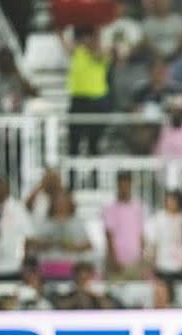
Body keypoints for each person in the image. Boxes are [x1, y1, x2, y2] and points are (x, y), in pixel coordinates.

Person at [66, 27, 111, 155]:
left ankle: (94, 174)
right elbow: (64, 43)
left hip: (97, 101)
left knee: (94, 144)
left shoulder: (102, 54)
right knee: (74, 143)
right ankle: (72, 175)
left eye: (91, 38)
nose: (87, 41)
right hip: (78, 100)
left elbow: (100, 52)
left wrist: (97, 30)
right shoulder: (77, 52)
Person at [29, 191, 92, 280]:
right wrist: (46, 244)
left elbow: (88, 245)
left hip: (72, 270)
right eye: (58, 202)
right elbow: (33, 245)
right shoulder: (45, 223)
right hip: (47, 269)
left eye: (63, 202)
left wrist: (72, 247)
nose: (61, 205)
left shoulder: (77, 223)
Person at [103, 171, 145, 280]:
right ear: (118, 185)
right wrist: (114, 259)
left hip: (135, 261)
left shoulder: (138, 207)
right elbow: (108, 235)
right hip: (118, 263)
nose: (124, 188)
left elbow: (140, 235)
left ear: (131, 185)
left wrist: (141, 257)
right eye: (122, 185)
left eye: (127, 184)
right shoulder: (110, 208)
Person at [148, 190, 182, 282]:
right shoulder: (159, 218)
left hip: (180, 266)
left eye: (174, 200)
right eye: (169, 200)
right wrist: (152, 261)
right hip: (162, 265)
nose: (172, 203)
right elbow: (153, 242)